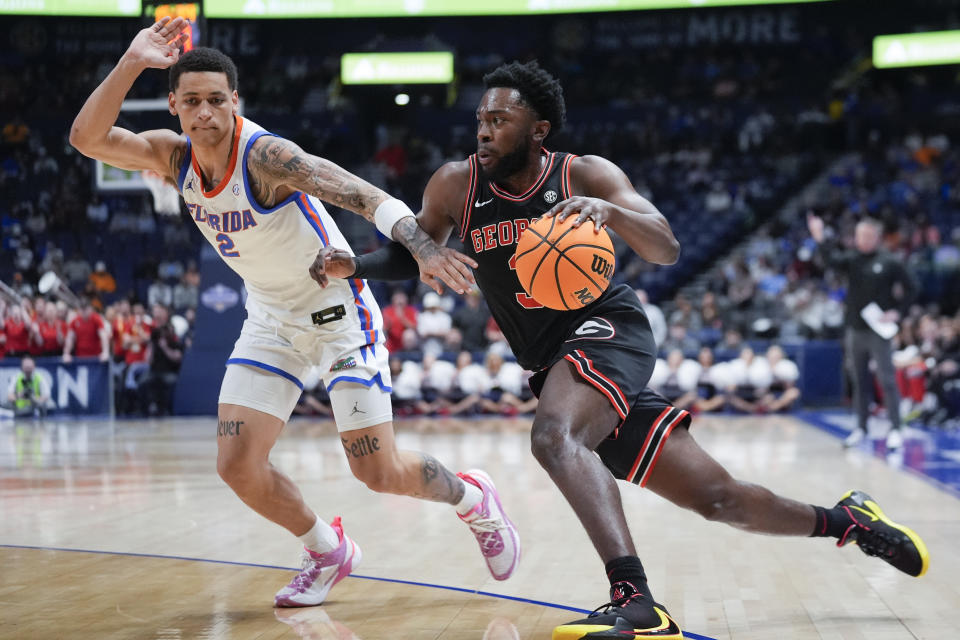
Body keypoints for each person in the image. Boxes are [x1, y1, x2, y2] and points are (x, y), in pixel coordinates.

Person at [315, 60, 929, 639]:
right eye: (480, 119)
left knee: (554, 436)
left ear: (539, 130)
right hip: (552, 361)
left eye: (499, 121)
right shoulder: (456, 185)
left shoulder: (584, 174)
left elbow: (666, 246)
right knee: (719, 499)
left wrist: (610, 213)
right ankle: (851, 521)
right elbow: (417, 247)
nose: (484, 131)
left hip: (609, 329)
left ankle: (635, 601)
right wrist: (357, 264)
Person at [69, 18, 519, 608]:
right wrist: (131, 63)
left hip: (337, 312)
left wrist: (423, 246)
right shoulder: (170, 157)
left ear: (236, 101)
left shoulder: (265, 156)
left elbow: (358, 192)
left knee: (377, 473)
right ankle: (326, 549)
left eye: (216, 100)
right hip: (271, 319)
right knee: (235, 463)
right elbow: (85, 137)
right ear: (175, 105)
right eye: (192, 102)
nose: (205, 112)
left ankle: (472, 500)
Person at [807, 214, 917, 449]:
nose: (863, 240)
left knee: (887, 380)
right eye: (859, 235)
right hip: (855, 329)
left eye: (867, 235)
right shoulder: (853, 259)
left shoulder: (890, 261)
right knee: (858, 381)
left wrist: (897, 312)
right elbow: (830, 261)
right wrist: (819, 236)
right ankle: (861, 428)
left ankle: (896, 428)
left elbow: (912, 288)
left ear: (877, 237)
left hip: (879, 331)